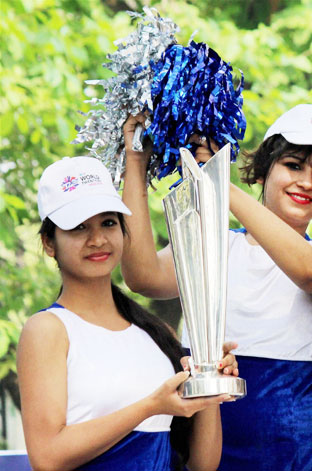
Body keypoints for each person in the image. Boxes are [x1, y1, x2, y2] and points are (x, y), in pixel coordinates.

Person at [120, 104, 312, 471]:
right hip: (201, 445)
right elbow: (142, 276)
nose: (306, 182)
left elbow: (309, 272)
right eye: (293, 165)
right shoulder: (213, 243)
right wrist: (136, 159)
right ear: (262, 171)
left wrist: (214, 180)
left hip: (293, 456)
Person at [17, 156, 238, 471]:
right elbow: (47, 457)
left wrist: (210, 380)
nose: (97, 240)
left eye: (108, 222)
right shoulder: (48, 329)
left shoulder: (156, 333)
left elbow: (203, 463)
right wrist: (149, 407)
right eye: (79, 227)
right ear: (49, 243)